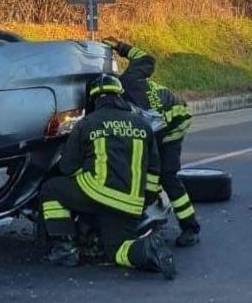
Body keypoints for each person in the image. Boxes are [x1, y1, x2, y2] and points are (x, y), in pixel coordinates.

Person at [40, 74, 176, 279]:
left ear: (94, 99)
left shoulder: (87, 124)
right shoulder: (142, 125)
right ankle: (149, 251)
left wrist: (85, 173)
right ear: (121, 97)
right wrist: (143, 201)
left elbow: (67, 167)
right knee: (117, 251)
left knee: (51, 188)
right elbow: (154, 170)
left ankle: (65, 250)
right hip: (130, 202)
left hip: (96, 193)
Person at [102, 38, 202, 247]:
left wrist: (122, 47)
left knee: (166, 175)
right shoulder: (124, 94)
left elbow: (146, 59)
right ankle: (150, 210)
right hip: (156, 123)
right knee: (145, 171)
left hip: (174, 121)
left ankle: (190, 228)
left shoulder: (130, 83)